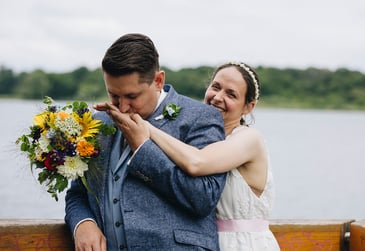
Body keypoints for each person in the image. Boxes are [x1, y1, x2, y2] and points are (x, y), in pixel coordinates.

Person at [64, 33, 227, 251]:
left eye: (132, 96)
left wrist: (143, 150)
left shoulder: (201, 118)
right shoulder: (97, 123)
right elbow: (78, 193)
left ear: (158, 81)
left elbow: (203, 199)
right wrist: (83, 223)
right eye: (114, 96)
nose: (121, 108)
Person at [116, 62, 281, 250]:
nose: (218, 97)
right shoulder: (200, 140)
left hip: (244, 244)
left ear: (248, 107)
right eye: (215, 87)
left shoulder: (249, 139)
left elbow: (196, 162)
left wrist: (146, 128)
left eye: (231, 94)